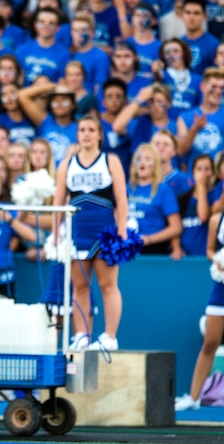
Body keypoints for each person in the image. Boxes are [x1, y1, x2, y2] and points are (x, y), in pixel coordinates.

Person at [175, 174, 224, 413]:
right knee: (210, 343)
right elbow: (210, 250)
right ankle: (193, 397)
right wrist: (220, 260)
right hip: (222, 288)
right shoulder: (217, 220)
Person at [53, 116, 128, 351]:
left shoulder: (110, 161)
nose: (86, 133)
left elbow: (122, 199)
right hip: (77, 231)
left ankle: (110, 337)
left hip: (104, 231)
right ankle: (82, 335)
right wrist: (56, 234)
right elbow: (58, 202)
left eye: (91, 130)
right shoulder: (67, 164)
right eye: (82, 130)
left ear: (99, 135)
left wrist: (122, 230)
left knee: (108, 285)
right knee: (80, 286)